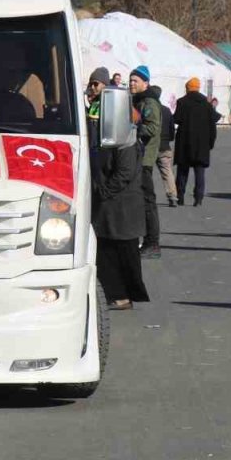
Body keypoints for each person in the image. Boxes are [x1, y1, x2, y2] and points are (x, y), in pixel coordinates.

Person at [91, 108, 149, 311]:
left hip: (121, 207)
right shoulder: (114, 139)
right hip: (113, 206)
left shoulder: (127, 142)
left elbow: (124, 173)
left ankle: (122, 296)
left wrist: (103, 192)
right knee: (108, 251)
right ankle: (114, 294)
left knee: (122, 253)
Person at [128, 66, 163, 260]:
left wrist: (130, 128)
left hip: (145, 159)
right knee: (139, 201)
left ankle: (152, 242)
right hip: (136, 157)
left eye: (136, 81)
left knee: (148, 202)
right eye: (131, 80)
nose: (132, 83)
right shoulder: (138, 100)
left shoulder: (149, 102)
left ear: (145, 83)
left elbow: (152, 128)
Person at [173, 77, 218, 207]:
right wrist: (211, 143)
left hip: (185, 142)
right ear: (198, 88)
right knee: (200, 173)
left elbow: (177, 119)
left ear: (187, 88)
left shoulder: (182, 102)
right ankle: (198, 199)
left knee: (182, 172)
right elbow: (212, 125)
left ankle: (180, 197)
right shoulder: (206, 103)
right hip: (201, 144)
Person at [157, 101, 178, 208]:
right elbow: (171, 129)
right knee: (167, 172)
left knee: (145, 172)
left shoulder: (145, 107)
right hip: (164, 146)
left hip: (149, 146)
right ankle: (172, 196)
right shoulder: (166, 110)